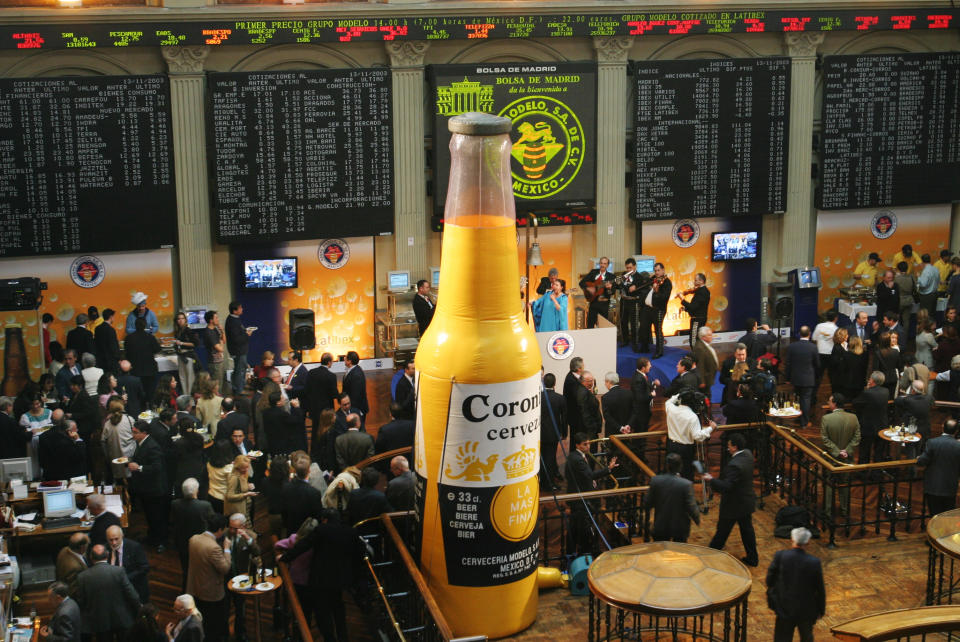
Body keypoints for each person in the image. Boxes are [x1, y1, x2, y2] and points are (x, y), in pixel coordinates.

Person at [278, 508, 365, 642]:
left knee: (323, 613)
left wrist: (285, 558)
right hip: (341, 578)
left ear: (324, 519)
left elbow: (303, 546)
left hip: (321, 579)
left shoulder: (322, 530)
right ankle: (343, 637)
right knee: (338, 608)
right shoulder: (351, 531)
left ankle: (329, 638)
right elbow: (360, 551)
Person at [703, 432, 758, 567]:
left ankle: (710, 555)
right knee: (747, 530)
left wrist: (711, 480)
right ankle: (753, 558)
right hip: (746, 501)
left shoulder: (735, 465)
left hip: (734, 504)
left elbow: (726, 486)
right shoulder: (748, 455)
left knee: (722, 531)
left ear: (734, 447)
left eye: (729, 445)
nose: (727, 448)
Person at [766, 527, 825, 642]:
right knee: (806, 637)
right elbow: (820, 589)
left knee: (782, 638)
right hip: (806, 610)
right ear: (808, 542)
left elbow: (769, 580)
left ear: (792, 539)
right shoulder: (814, 562)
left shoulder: (780, 556)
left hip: (784, 608)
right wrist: (821, 609)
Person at [565, 432, 617, 555]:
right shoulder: (578, 460)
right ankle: (584, 551)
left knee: (575, 527)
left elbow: (579, 476)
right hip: (580, 498)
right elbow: (589, 475)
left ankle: (574, 551)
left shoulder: (573, 456)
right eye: (585, 445)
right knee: (580, 527)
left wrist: (589, 480)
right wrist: (608, 469)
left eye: (588, 444)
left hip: (577, 496)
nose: (588, 447)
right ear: (577, 445)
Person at [75, 544, 141, 642]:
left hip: (99, 621)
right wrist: (139, 610)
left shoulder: (82, 577)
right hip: (122, 618)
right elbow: (132, 595)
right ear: (107, 555)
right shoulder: (118, 571)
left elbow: (81, 601)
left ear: (91, 557)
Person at [187, 514, 233, 642]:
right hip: (211, 592)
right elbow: (225, 568)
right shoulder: (214, 548)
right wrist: (227, 549)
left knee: (202, 620)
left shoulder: (194, 539)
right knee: (214, 624)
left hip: (195, 587)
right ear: (220, 529)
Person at [643, 453, 700, 542]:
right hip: (680, 528)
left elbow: (647, 502)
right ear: (680, 466)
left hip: (661, 525)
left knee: (660, 553)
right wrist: (697, 519)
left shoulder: (656, 481)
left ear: (666, 465)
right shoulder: (686, 484)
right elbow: (691, 506)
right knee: (678, 554)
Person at [171, 478, 214, 590]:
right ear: (196, 491)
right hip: (200, 543)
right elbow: (212, 521)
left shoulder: (175, 504)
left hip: (182, 541)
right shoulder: (205, 506)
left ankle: (186, 589)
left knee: (186, 569)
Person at [224, 513, 260, 642]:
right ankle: (224, 634)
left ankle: (241, 634)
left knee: (240, 609)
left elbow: (257, 552)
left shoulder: (251, 536)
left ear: (243, 526)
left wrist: (248, 539)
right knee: (225, 608)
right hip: (226, 577)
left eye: (235, 528)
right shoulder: (224, 534)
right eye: (231, 527)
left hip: (241, 578)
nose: (232, 530)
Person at [664, 389, 714, 480]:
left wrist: (680, 394)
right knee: (686, 475)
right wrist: (711, 428)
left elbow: (669, 401)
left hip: (671, 445)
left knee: (671, 474)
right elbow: (697, 436)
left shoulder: (670, 408)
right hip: (685, 449)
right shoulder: (692, 417)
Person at [918, 419, 960, 515]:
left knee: (934, 516)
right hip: (950, 487)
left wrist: (919, 458)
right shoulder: (958, 446)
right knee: (947, 517)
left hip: (933, 486)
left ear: (942, 427)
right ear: (956, 431)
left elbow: (921, 462)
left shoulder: (932, 442)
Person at [105, 525, 150, 603]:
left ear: (122, 536)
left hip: (134, 587)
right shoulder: (105, 549)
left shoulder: (134, 547)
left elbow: (144, 567)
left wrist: (125, 578)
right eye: (111, 540)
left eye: (116, 539)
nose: (114, 543)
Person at [785, 326, 819, 426]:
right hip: (808, 379)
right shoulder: (813, 347)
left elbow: (788, 364)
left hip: (795, 378)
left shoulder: (792, 346)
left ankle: (798, 419)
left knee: (798, 400)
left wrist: (787, 378)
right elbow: (817, 364)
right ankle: (804, 422)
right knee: (805, 400)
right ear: (810, 334)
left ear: (799, 334)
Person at [281, 455, 324, 534]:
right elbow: (317, 517)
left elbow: (284, 511)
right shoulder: (314, 493)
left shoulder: (286, 487)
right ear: (309, 471)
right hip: (307, 532)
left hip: (291, 529)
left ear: (294, 471)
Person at [539, 373, 567, 489]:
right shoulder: (560, 398)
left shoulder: (537, 396)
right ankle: (548, 484)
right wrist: (564, 433)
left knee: (541, 458)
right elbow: (564, 418)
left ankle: (541, 481)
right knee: (550, 459)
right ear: (555, 383)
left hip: (539, 433)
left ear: (543, 383)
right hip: (553, 434)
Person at [39, 416, 86, 481]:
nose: (77, 430)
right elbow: (80, 456)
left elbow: (41, 460)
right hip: (70, 477)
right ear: (69, 431)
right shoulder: (67, 442)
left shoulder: (43, 436)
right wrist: (78, 440)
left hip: (50, 476)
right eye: (75, 429)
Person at [125, 318, 161, 398]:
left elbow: (126, 353)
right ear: (145, 325)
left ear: (135, 325)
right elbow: (157, 349)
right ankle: (150, 406)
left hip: (135, 370)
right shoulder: (150, 337)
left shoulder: (129, 338)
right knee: (150, 392)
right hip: (149, 369)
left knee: (137, 393)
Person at [374, 402, 415, 470]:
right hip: (410, 462)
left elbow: (379, 448)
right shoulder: (412, 425)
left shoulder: (384, 429)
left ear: (390, 414)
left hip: (393, 466)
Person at [262, 390, 304, 455]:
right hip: (283, 443)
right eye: (282, 398)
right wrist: (297, 407)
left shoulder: (265, 412)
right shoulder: (281, 414)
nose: (284, 399)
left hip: (271, 441)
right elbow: (297, 420)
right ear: (278, 403)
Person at [225, 301, 253, 395]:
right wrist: (247, 334)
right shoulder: (232, 322)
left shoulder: (234, 319)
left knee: (240, 369)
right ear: (235, 311)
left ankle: (239, 387)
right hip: (238, 351)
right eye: (240, 308)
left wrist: (245, 331)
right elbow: (236, 339)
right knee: (240, 371)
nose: (242, 309)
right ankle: (239, 391)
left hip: (240, 350)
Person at [579, 256, 615, 329]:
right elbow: (581, 283)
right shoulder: (593, 272)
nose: (602, 265)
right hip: (593, 303)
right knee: (590, 326)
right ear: (599, 264)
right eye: (601, 263)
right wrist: (589, 289)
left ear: (607, 265)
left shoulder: (611, 277)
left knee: (603, 326)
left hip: (604, 305)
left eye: (605, 264)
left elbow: (612, 292)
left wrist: (609, 289)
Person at [677, 272, 710, 348]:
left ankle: (696, 357)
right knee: (696, 340)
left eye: (695, 280)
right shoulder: (701, 291)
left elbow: (693, 307)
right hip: (698, 318)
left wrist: (681, 298)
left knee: (693, 341)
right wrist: (685, 308)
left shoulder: (702, 292)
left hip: (697, 320)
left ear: (701, 281)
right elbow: (697, 307)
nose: (694, 282)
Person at [305, 352, 339, 423]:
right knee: (326, 431)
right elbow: (334, 394)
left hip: (314, 409)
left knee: (315, 431)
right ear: (329, 362)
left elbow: (307, 390)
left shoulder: (311, 373)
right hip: (327, 411)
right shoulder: (331, 376)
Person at [648, 262, 673, 358]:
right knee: (649, 328)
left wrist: (657, 291)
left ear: (663, 270)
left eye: (658, 270)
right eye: (655, 271)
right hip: (651, 308)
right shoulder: (653, 279)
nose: (657, 272)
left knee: (658, 329)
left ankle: (660, 351)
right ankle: (650, 347)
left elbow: (664, 297)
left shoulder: (667, 282)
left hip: (660, 309)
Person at [617, 259, 642, 350]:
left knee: (634, 323)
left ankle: (635, 343)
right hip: (624, 301)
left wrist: (625, 286)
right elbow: (619, 285)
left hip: (633, 302)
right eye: (627, 268)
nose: (628, 270)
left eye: (630, 267)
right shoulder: (624, 274)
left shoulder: (639, 277)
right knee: (623, 321)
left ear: (635, 266)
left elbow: (631, 290)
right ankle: (625, 340)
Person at [629, 358, 657, 436]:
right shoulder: (639, 379)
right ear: (643, 368)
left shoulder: (641, 375)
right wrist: (651, 395)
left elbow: (646, 386)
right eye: (649, 365)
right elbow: (640, 398)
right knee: (641, 432)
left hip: (643, 411)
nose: (651, 366)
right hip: (641, 412)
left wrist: (654, 384)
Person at [172, 312, 198, 397]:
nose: (180, 320)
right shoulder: (177, 331)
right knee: (182, 378)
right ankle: (185, 397)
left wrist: (182, 343)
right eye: (178, 319)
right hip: (180, 355)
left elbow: (195, 344)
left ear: (185, 320)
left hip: (188, 356)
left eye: (182, 318)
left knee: (190, 378)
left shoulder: (188, 330)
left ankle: (190, 398)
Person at [55, 533, 89, 598]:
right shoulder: (75, 567)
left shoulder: (64, 550)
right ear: (82, 547)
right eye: (87, 544)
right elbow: (74, 591)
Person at [224, 455, 256, 519]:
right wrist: (246, 494)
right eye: (244, 468)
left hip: (245, 508)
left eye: (247, 467)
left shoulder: (243, 473)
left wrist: (248, 485)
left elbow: (241, 486)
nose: (247, 470)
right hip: (239, 511)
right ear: (238, 467)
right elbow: (229, 496)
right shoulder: (234, 478)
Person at [341, 351, 369, 426]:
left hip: (357, 410)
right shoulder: (352, 370)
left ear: (349, 361)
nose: (344, 358)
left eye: (346, 357)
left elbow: (356, 395)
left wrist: (351, 410)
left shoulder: (356, 374)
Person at [601, 372, 632, 437]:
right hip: (627, 431)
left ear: (608, 382)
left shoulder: (605, 397)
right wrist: (628, 425)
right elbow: (634, 412)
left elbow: (607, 416)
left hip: (612, 433)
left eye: (605, 382)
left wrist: (620, 428)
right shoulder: (629, 393)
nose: (605, 384)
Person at [691, 326, 719, 395]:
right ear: (703, 337)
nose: (712, 336)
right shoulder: (699, 348)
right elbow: (700, 365)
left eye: (711, 334)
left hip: (708, 379)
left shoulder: (704, 345)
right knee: (705, 398)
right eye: (709, 335)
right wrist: (701, 381)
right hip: (704, 381)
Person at [813, 310, 838, 384]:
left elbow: (814, 338)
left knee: (818, 375)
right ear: (836, 318)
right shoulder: (836, 329)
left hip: (819, 353)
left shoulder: (819, 326)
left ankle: (813, 394)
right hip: (831, 354)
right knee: (832, 375)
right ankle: (834, 394)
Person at [575, 371, 602, 441]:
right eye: (590, 381)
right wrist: (592, 427)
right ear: (583, 381)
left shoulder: (584, 390)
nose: (592, 383)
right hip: (589, 430)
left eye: (592, 380)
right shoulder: (583, 393)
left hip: (590, 428)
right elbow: (584, 411)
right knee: (591, 448)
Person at [94, 309, 121, 375]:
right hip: (110, 361)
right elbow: (113, 346)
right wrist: (118, 358)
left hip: (100, 360)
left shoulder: (97, 328)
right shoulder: (111, 330)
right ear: (111, 317)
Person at [894, 261, 918, 332]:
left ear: (898, 269)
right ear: (907, 268)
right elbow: (916, 289)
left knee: (896, 319)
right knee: (906, 320)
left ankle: (896, 336)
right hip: (909, 300)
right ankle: (904, 337)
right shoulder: (911, 277)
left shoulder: (896, 278)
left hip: (899, 300)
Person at [563, 357, 585, 437]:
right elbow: (578, 398)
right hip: (575, 415)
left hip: (577, 414)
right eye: (583, 365)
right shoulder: (571, 380)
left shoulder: (575, 376)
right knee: (576, 437)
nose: (584, 366)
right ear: (579, 369)